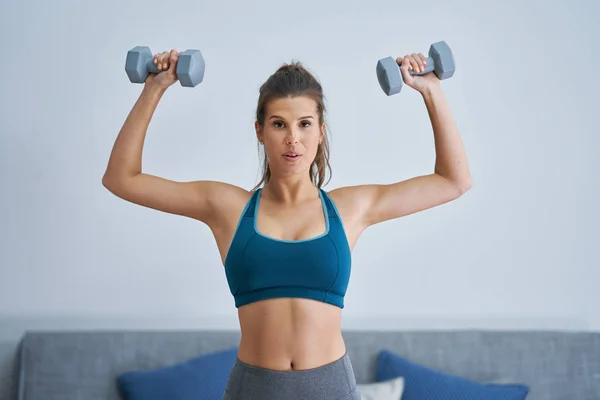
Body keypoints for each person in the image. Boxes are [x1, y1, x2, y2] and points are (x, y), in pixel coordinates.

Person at [102, 48, 472, 400]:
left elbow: (452, 181)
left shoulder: (350, 208)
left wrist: (430, 89)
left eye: (305, 124)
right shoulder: (226, 207)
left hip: (331, 388)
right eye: (279, 124)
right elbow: (122, 178)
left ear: (320, 132)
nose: (293, 138)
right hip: (254, 388)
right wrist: (154, 88)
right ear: (260, 132)